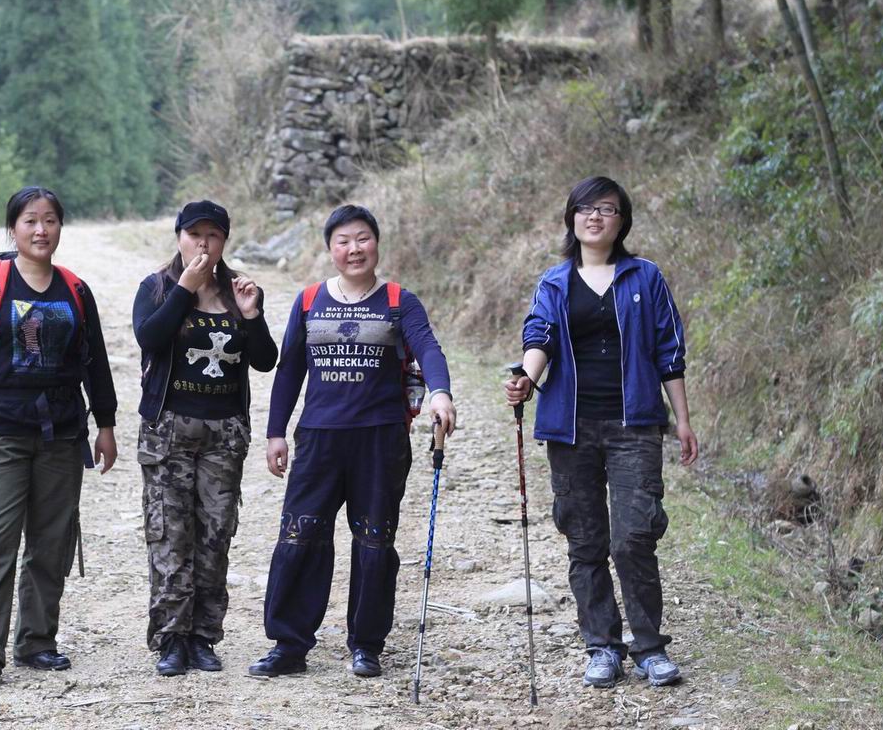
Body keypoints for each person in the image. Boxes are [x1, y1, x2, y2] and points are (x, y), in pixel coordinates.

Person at [504, 176, 698, 690]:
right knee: (585, 538)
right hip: (571, 428)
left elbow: (668, 353)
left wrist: (681, 420)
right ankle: (602, 646)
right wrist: (527, 377)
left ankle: (650, 648)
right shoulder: (555, 282)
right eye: (586, 209)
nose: (596, 217)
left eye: (607, 209)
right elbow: (538, 335)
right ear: (572, 218)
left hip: (635, 423)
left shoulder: (645, 277)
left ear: (622, 221)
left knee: (634, 534)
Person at [250, 204, 457, 679]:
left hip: (380, 441)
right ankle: (289, 644)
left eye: (363, 238)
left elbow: (428, 349)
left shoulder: (400, 301)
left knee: (374, 542)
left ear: (377, 244)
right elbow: (289, 371)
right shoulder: (308, 302)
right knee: (300, 537)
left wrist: (440, 394)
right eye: (343, 241)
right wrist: (275, 433)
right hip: (319, 439)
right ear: (330, 250)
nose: (354, 248)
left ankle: (366, 644)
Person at [0, 186, 118, 695]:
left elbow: (97, 364)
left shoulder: (76, 291)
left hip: (62, 436)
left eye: (49, 220)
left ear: (61, 228)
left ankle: (37, 640)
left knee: (51, 542)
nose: (40, 230)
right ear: (13, 229)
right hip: (0, 433)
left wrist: (105, 425)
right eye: (29, 221)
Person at [133, 200, 278, 676]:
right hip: (169, 430)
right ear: (178, 236)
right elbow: (150, 339)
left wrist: (252, 316)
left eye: (213, 235)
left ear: (224, 241)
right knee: (170, 536)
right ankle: (171, 638)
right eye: (194, 234)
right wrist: (184, 291)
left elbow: (264, 359)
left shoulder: (239, 289)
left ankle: (203, 637)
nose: (203, 243)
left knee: (215, 535)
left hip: (223, 434)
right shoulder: (156, 286)